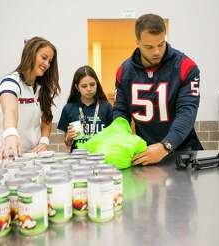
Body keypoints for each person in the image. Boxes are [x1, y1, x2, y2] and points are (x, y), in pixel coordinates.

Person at [113, 13, 202, 166]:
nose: (156, 52)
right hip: (145, 153)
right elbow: (120, 111)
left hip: (183, 151)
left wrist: (166, 145)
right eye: (149, 47)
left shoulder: (186, 67)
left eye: (161, 44)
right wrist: (124, 139)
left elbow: (187, 110)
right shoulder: (124, 71)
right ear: (137, 43)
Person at [0, 36, 60, 159]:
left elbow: (47, 118)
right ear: (30, 54)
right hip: (9, 154)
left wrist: (44, 141)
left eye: (50, 61)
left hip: (34, 155)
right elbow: (10, 110)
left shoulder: (42, 88)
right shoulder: (11, 82)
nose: (46, 64)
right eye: (44, 58)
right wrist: (11, 134)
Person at [57, 65, 113, 151]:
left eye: (92, 84)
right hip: (78, 160)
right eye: (84, 86)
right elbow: (67, 144)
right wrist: (68, 138)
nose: (89, 89)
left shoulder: (107, 107)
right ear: (77, 87)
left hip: (102, 158)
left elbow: (113, 138)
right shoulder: (68, 109)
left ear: (97, 84)